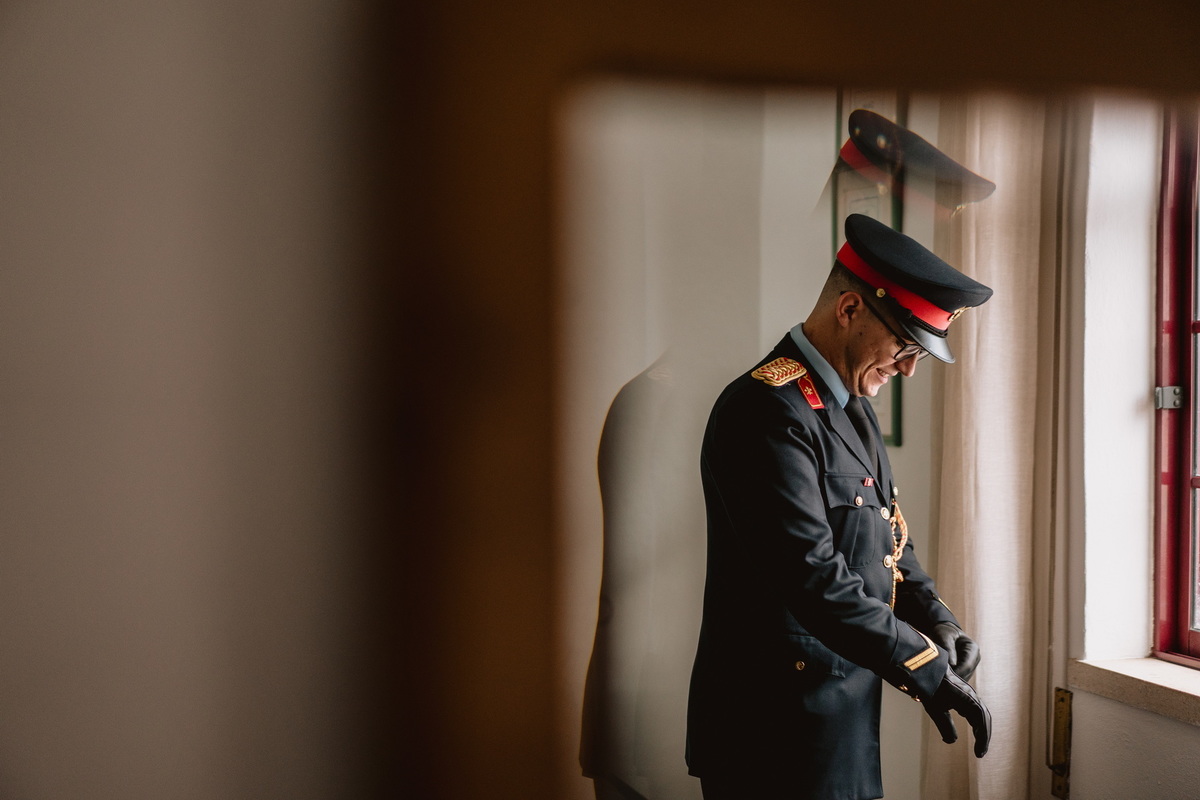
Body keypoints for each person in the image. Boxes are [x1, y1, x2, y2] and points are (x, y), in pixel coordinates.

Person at [686, 213, 993, 800]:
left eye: (919, 354)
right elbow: (813, 575)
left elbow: (889, 541)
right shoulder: (764, 410)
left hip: (839, 726)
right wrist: (924, 664)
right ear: (849, 309)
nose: (908, 368)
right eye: (905, 345)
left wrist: (938, 620)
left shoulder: (851, 408)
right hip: (767, 733)